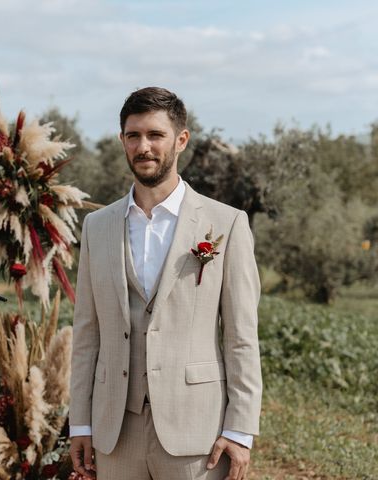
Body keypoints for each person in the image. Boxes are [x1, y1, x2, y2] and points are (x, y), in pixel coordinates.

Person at [68, 87, 262, 480]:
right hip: (115, 432)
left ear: (181, 140)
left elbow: (241, 336)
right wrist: (81, 423)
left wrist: (240, 429)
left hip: (197, 432)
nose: (144, 147)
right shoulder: (97, 226)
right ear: (122, 140)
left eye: (156, 135)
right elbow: (87, 332)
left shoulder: (226, 223)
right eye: (134, 135)